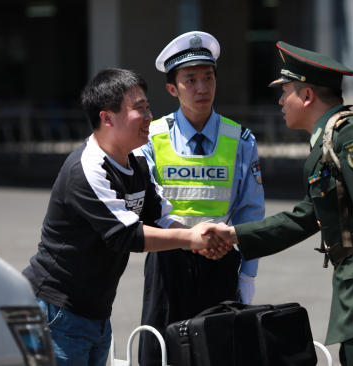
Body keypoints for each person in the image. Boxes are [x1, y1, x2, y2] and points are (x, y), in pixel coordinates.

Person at [202, 42, 353, 366]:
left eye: (286, 92)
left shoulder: (352, 138)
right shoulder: (329, 141)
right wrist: (234, 236)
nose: (281, 101)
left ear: (308, 96)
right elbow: (307, 216)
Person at [22, 68, 227, 366]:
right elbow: (126, 235)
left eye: (148, 108)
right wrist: (191, 238)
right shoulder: (87, 169)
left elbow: (159, 216)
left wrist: (201, 238)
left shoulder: (139, 157)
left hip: (96, 313)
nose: (148, 117)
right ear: (107, 118)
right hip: (56, 312)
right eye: (139, 109)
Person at [135, 31, 265, 365]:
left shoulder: (241, 140)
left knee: (220, 355)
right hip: (167, 265)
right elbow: (148, 206)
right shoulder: (150, 138)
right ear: (172, 88)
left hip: (221, 261)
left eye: (208, 78)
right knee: (160, 354)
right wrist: (191, 238)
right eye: (190, 80)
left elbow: (251, 212)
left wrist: (247, 274)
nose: (201, 88)